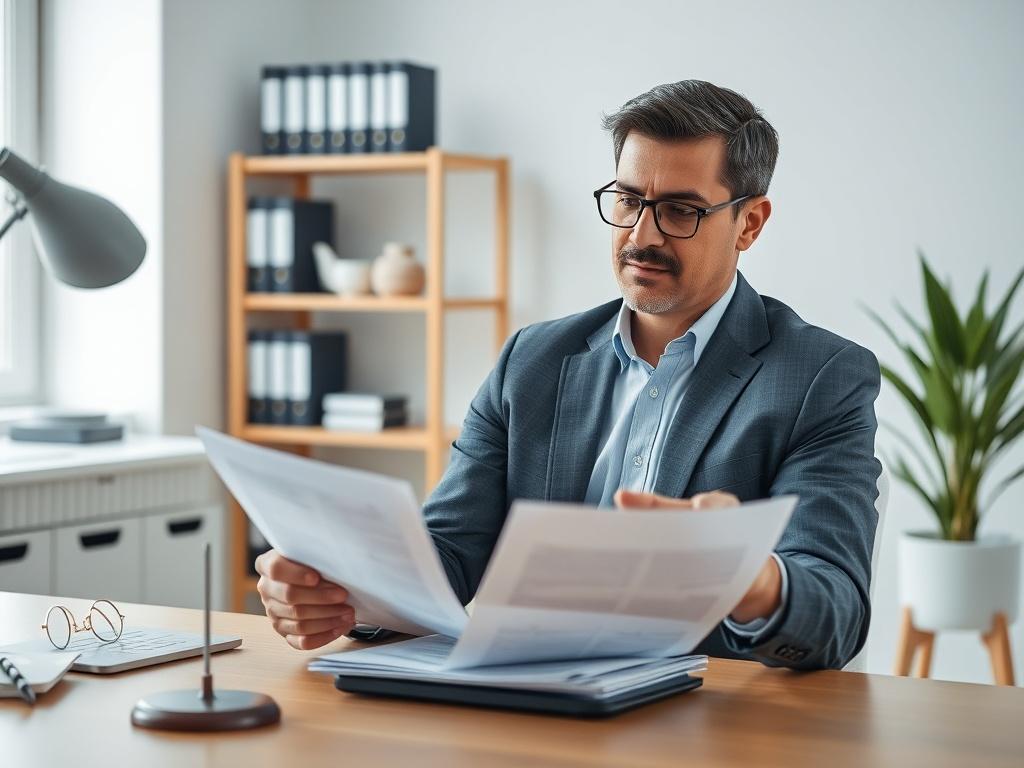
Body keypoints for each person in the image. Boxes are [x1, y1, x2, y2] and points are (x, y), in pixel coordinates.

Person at [255, 80, 882, 670]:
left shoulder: (818, 377)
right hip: (528, 704)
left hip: (702, 721)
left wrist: (751, 578)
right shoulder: (532, 360)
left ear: (748, 222)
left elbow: (836, 611)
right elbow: (446, 551)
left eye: (681, 211)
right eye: (631, 200)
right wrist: (343, 592)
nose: (642, 235)